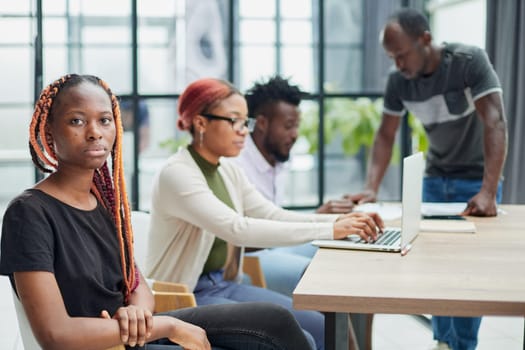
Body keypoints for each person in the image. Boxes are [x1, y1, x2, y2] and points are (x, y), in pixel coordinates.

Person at [0, 73, 319, 350]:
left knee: (276, 321)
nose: (95, 132)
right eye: (77, 121)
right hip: (106, 344)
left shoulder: (103, 202)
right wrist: (168, 326)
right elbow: (56, 334)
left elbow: (137, 283)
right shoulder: (28, 213)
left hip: (132, 333)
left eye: (104, 120)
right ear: (50, 132)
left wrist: (137, 309)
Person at [145, 77, 384, 350]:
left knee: (321, 327)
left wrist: (340, 221)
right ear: (200, 123)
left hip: (221, 285)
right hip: (184, 296)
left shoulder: (227, 170)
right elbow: (237, 228)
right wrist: (330, 229)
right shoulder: (177, 174)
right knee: (298, 339)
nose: (243, 131)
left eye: (245, 122)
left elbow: (271, 214)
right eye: (234, 121)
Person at [346, 8, 508, 350]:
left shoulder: (468, 61)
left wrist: (488, 191)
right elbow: (385, 135)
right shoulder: (397, 81)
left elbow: (494, 119)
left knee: (466, 273)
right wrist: (371, 187)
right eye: (391, 57)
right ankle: (442, 343)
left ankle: (461, 346)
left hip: (476, 183)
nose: (398, 64)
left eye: (402, 54)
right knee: (436, 270)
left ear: (426, 40)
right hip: (435, 178)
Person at [233, 75, 355, 297]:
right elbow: (240, 239)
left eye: (297, 126)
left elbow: (274, 217)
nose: (295, 135)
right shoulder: (238, 164)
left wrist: (331, 219)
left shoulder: (276, 158)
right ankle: (335, 332)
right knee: (321, 275)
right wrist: (317, 218)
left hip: (276, 246)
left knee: (349, 252)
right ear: (261, 123)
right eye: (288, 126)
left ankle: (358, 334)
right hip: (249, 258)